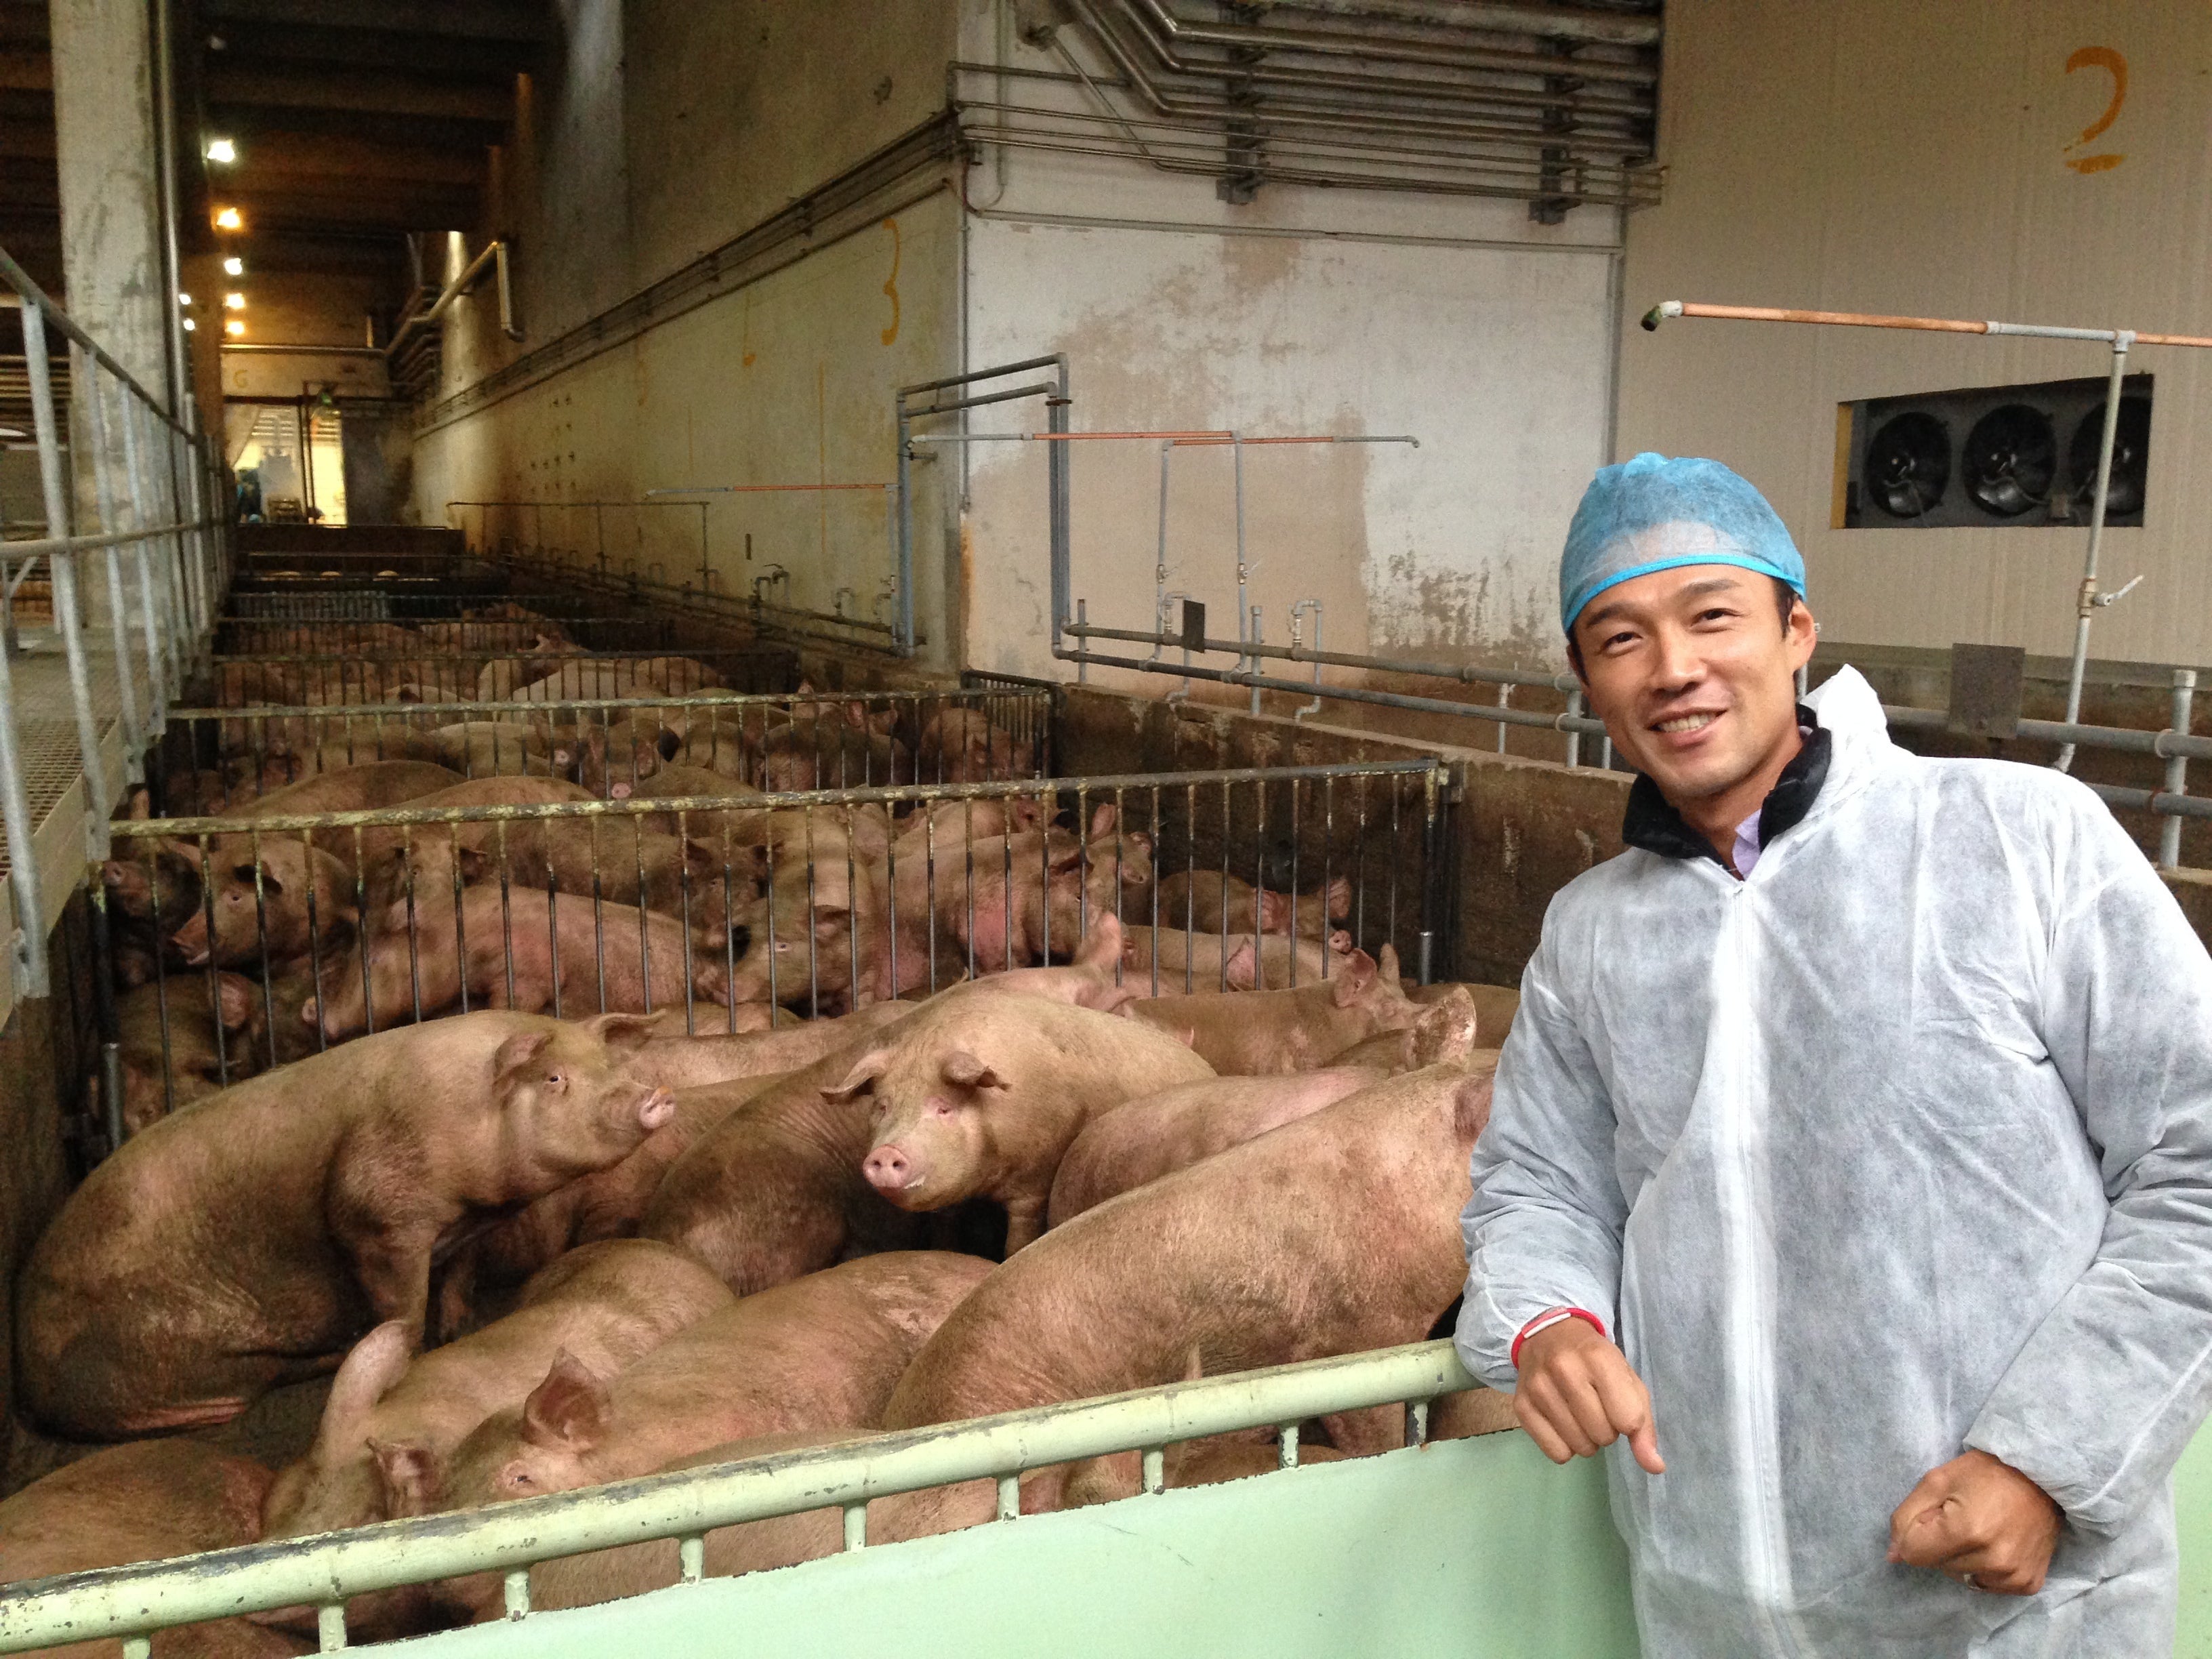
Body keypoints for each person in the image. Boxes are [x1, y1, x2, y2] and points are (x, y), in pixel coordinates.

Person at [1456, 452, 2212, 1656]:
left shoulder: (2017, 839)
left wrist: (2050, 1460)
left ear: (1797, 630)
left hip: (2013, 1611)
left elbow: (2196, 1163)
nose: (1674, 669)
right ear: (1586, 680)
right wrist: (1550, 1320)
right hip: (1712, 1606)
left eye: (1713, 616)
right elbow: (1541, 1184)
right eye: (1622, 639)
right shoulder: (1592, 934)